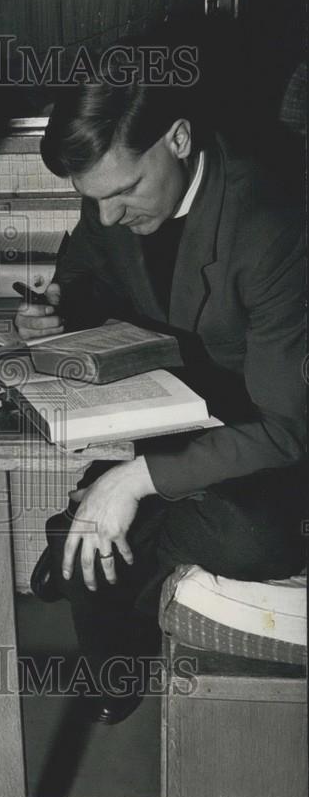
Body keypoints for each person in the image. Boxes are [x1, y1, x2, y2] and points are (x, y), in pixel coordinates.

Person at [17, 44, 307, 724]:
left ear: (177, 137)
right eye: (94, 199)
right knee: (139, 519)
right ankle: (103, 620)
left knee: (256, 540)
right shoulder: (109, 194)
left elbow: (286, 428)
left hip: (269, 430)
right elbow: (87, 266)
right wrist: (55, 307)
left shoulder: (272, 224)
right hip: (170, 408)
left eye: (123, 193)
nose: (109, 215)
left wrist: (131, 482)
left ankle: (80, 543)